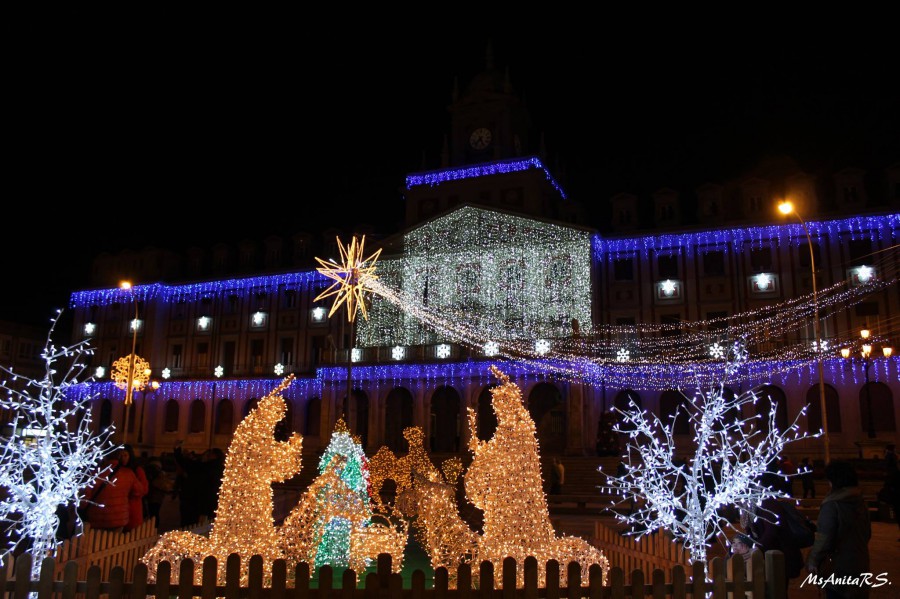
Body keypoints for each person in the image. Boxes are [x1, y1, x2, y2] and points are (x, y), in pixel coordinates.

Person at [807, 460, 871, 599]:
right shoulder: (860, 501)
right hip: (860, 561)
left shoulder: (832, 505)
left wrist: (813, 561)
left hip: (837, 565)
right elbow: (867, 533)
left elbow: (824, 538)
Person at [741, 472, 803, 592]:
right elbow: (752, 531)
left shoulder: (768, 504)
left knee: (776, 590)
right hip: (765, 556)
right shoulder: (752, 506)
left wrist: (755, 548)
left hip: (778, 556)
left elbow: (771, 532)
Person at [81, 451, 143, 531]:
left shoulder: (96, 473)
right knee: (115, 541)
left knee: (96, 542)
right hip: (119, 517)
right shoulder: (128, 473)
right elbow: (139, 491)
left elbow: (85, 496)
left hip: (96, 517)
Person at [120, 444, 148, 532]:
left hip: (133, 508)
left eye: (125, 455)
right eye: (121, 455)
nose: (123, 458)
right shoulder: (116, 470)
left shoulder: (137, 470)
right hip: (119, 510)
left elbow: (144, 489)